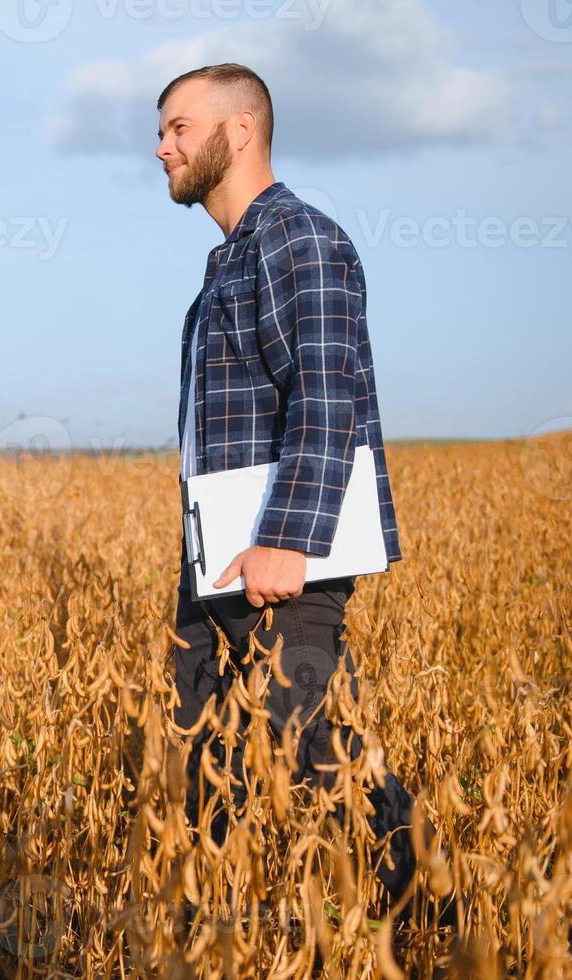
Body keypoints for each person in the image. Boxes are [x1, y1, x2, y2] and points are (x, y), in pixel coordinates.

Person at [155, 63, 448, 922]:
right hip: (218, 563)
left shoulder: (299, 240)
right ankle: (221, 937)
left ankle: (445, 934)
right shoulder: (228, 261)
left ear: (238, 131)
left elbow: (328, 397)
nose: (161, 146)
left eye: (178, 127)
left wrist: (288, 539)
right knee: (205, 766)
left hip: (282, 560)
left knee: (326, 756)